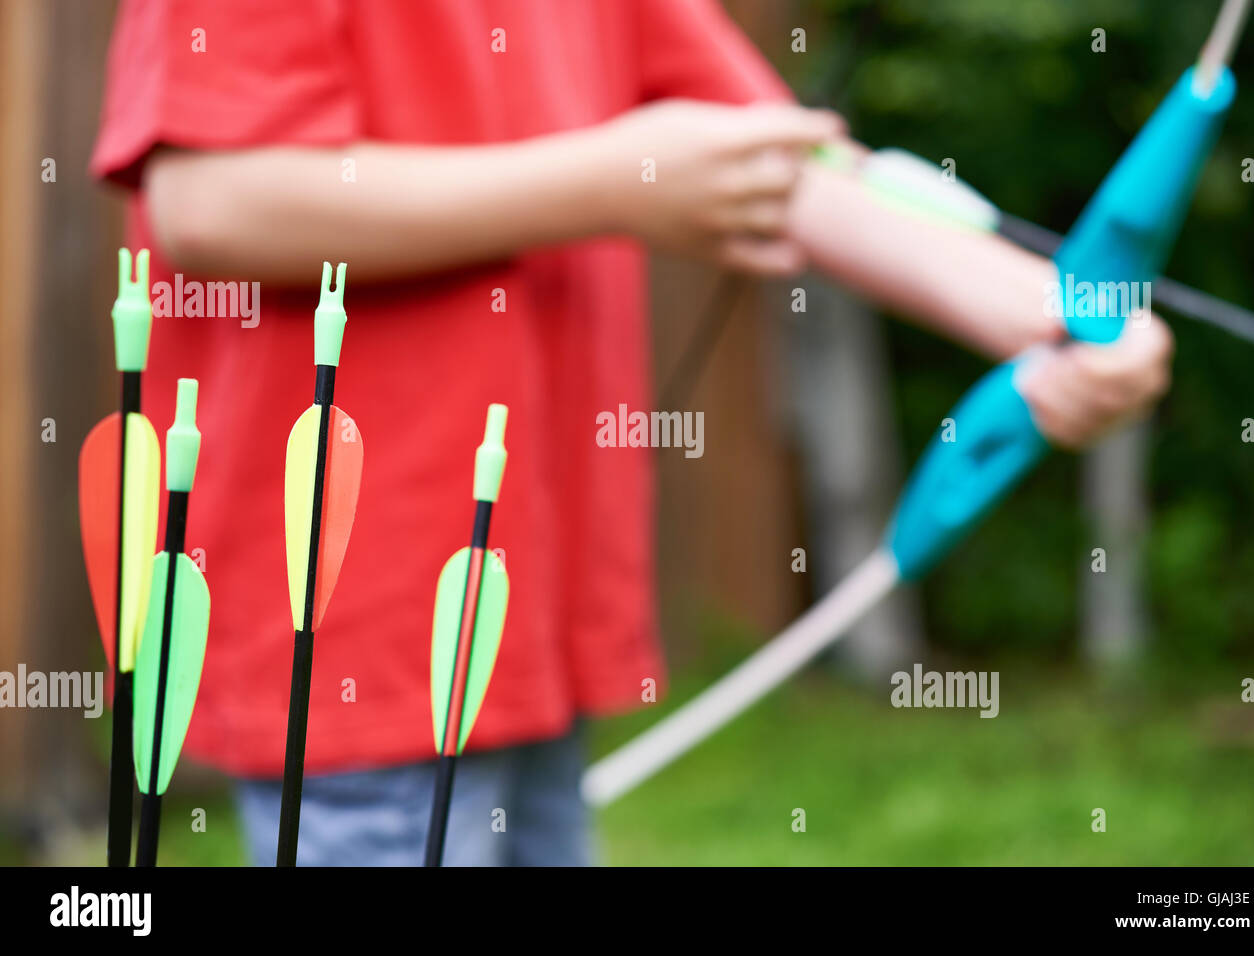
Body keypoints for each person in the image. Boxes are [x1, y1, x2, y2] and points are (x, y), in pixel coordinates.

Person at [91, 0, 1171, 866]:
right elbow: (212, 200)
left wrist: (1052, 317)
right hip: (355, 627)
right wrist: (609, 181)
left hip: (532, 605)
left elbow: (778, 168)